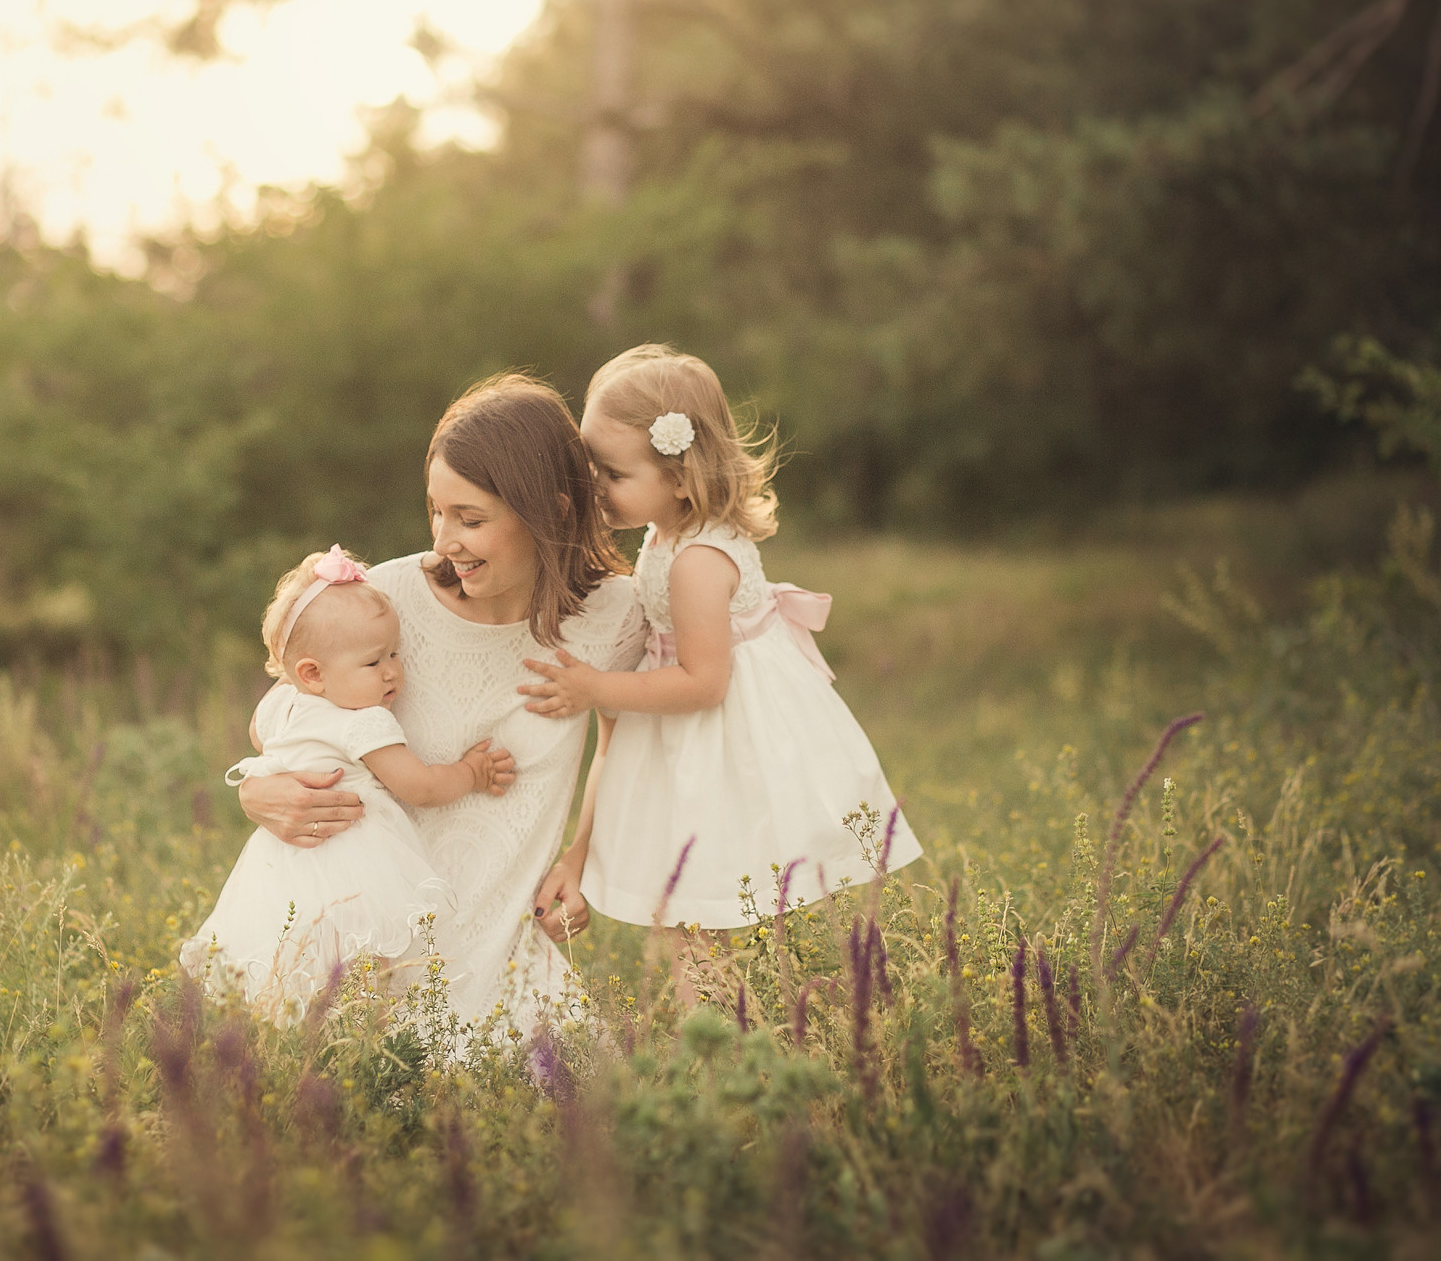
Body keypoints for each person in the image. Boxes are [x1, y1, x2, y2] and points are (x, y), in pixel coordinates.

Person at [234, 376, 644, 1032]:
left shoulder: (615, 615)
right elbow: (287, 708)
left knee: (582, 1110)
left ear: (554, 511)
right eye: (436, 511)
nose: (445, 538)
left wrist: (580, 857)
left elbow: (624, 742)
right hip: (375, 946)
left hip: (504, 941)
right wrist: (259, 790)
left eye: (471, 518)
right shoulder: (387, 598)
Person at [523, 344, 921, 953]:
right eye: (592, 468)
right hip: (687, 736)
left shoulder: (699, 561)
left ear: (680, 478)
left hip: (732, 740)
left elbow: (705, 682)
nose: (594, 488)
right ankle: (713, 1029)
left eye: (614, 474)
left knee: (726, 897)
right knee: (691, 907)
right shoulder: (668, 533)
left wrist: (596, 687)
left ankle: (764, 1020)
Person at [181, 545, 514, 1018]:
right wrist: (470, 772)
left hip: (284, 868)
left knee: (297, 972)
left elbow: (259, 734)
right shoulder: (363, 723)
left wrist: (295, 681)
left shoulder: (280, 706)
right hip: (357, 866)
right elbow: (418, 786)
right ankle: (366, 1050)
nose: (393, 671)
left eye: (395, 653)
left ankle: (310, 1050)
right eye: (374, 662)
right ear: (313, 673)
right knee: (369, 972)